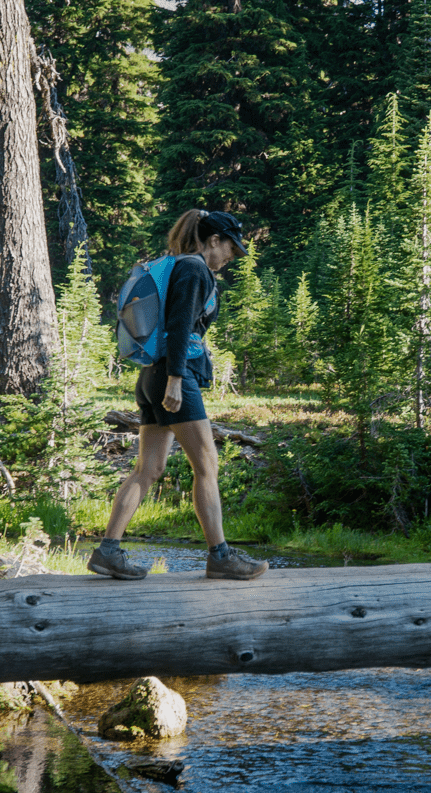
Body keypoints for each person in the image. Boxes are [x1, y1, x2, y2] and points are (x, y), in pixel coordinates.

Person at [89, 209, 269, 582]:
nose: (229, 260)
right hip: (173, 377)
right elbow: (179, 323)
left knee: (148, 469)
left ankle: (108, 551)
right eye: (229, 251)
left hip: (150, 376)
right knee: (207, 466)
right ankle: (219, 557)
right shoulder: (195, 268)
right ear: (213, 240)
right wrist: (176, 378)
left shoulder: (176, 264)